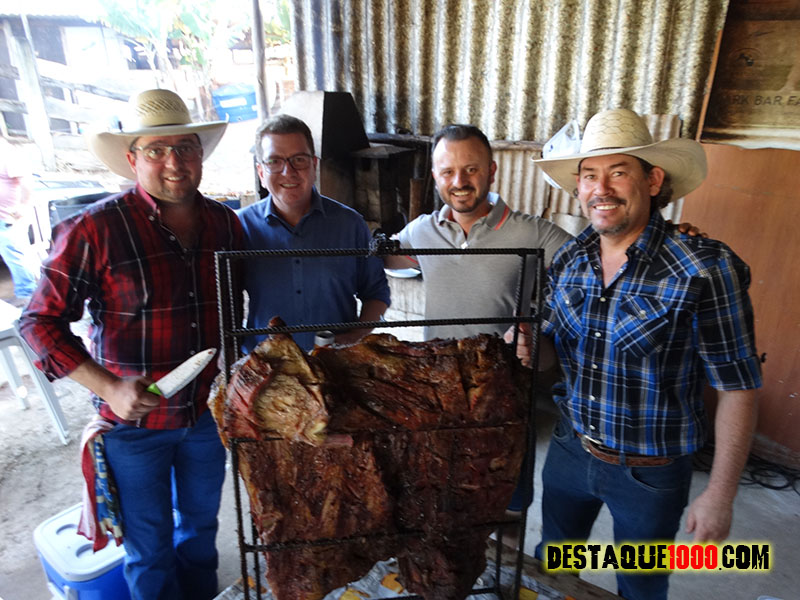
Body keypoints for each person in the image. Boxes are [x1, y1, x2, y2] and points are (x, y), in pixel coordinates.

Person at [19, 89, 243, 600]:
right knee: (148, 548)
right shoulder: (93, 229)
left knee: (201, 532)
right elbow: (39, 322)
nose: (174, 163)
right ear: (132, 159)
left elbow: (236, 313)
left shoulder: (225, 225)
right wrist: (109, 387)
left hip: (205, 416)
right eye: (156, 151)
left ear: (199, 154)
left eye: (184, 148)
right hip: (134, 428)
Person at [530, 108, 762, 600]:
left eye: (618, 172)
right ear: (578, 188)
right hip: (570, 449)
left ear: (653, 181)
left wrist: (720, 494)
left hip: (650, 473)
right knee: (554, 566)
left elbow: (738, 388)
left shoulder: (704, 268)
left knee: (639, 587)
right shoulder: (570, 260)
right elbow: (550, 356)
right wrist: (528, 346)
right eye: (589, 175)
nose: (602, 189)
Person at [386, 124, 573, 342]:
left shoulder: (534, 232)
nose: (459, 182)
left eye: (471, 170)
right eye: (448, 172)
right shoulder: (421, 231)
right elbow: (376, 259)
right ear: (436, 177)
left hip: (500, 362)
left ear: (491, 172)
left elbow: (588, 271)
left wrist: (543, 333)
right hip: (434, 361)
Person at [237, 114, 390, 352]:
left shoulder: (350, 225)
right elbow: (222, 300)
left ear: (314, 165)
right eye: (274, 161)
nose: (288, 171)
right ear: (261, 172)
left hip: (334, 363)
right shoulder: (240, 226)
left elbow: (377, 293)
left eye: (299, 159)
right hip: (265, 365)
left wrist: (356, 338)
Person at [0, 135, 39, 305]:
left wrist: (23, 206)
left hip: (9, 218)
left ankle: (27, 295)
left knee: (15, 255)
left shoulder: (8, 154)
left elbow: (26, 183)